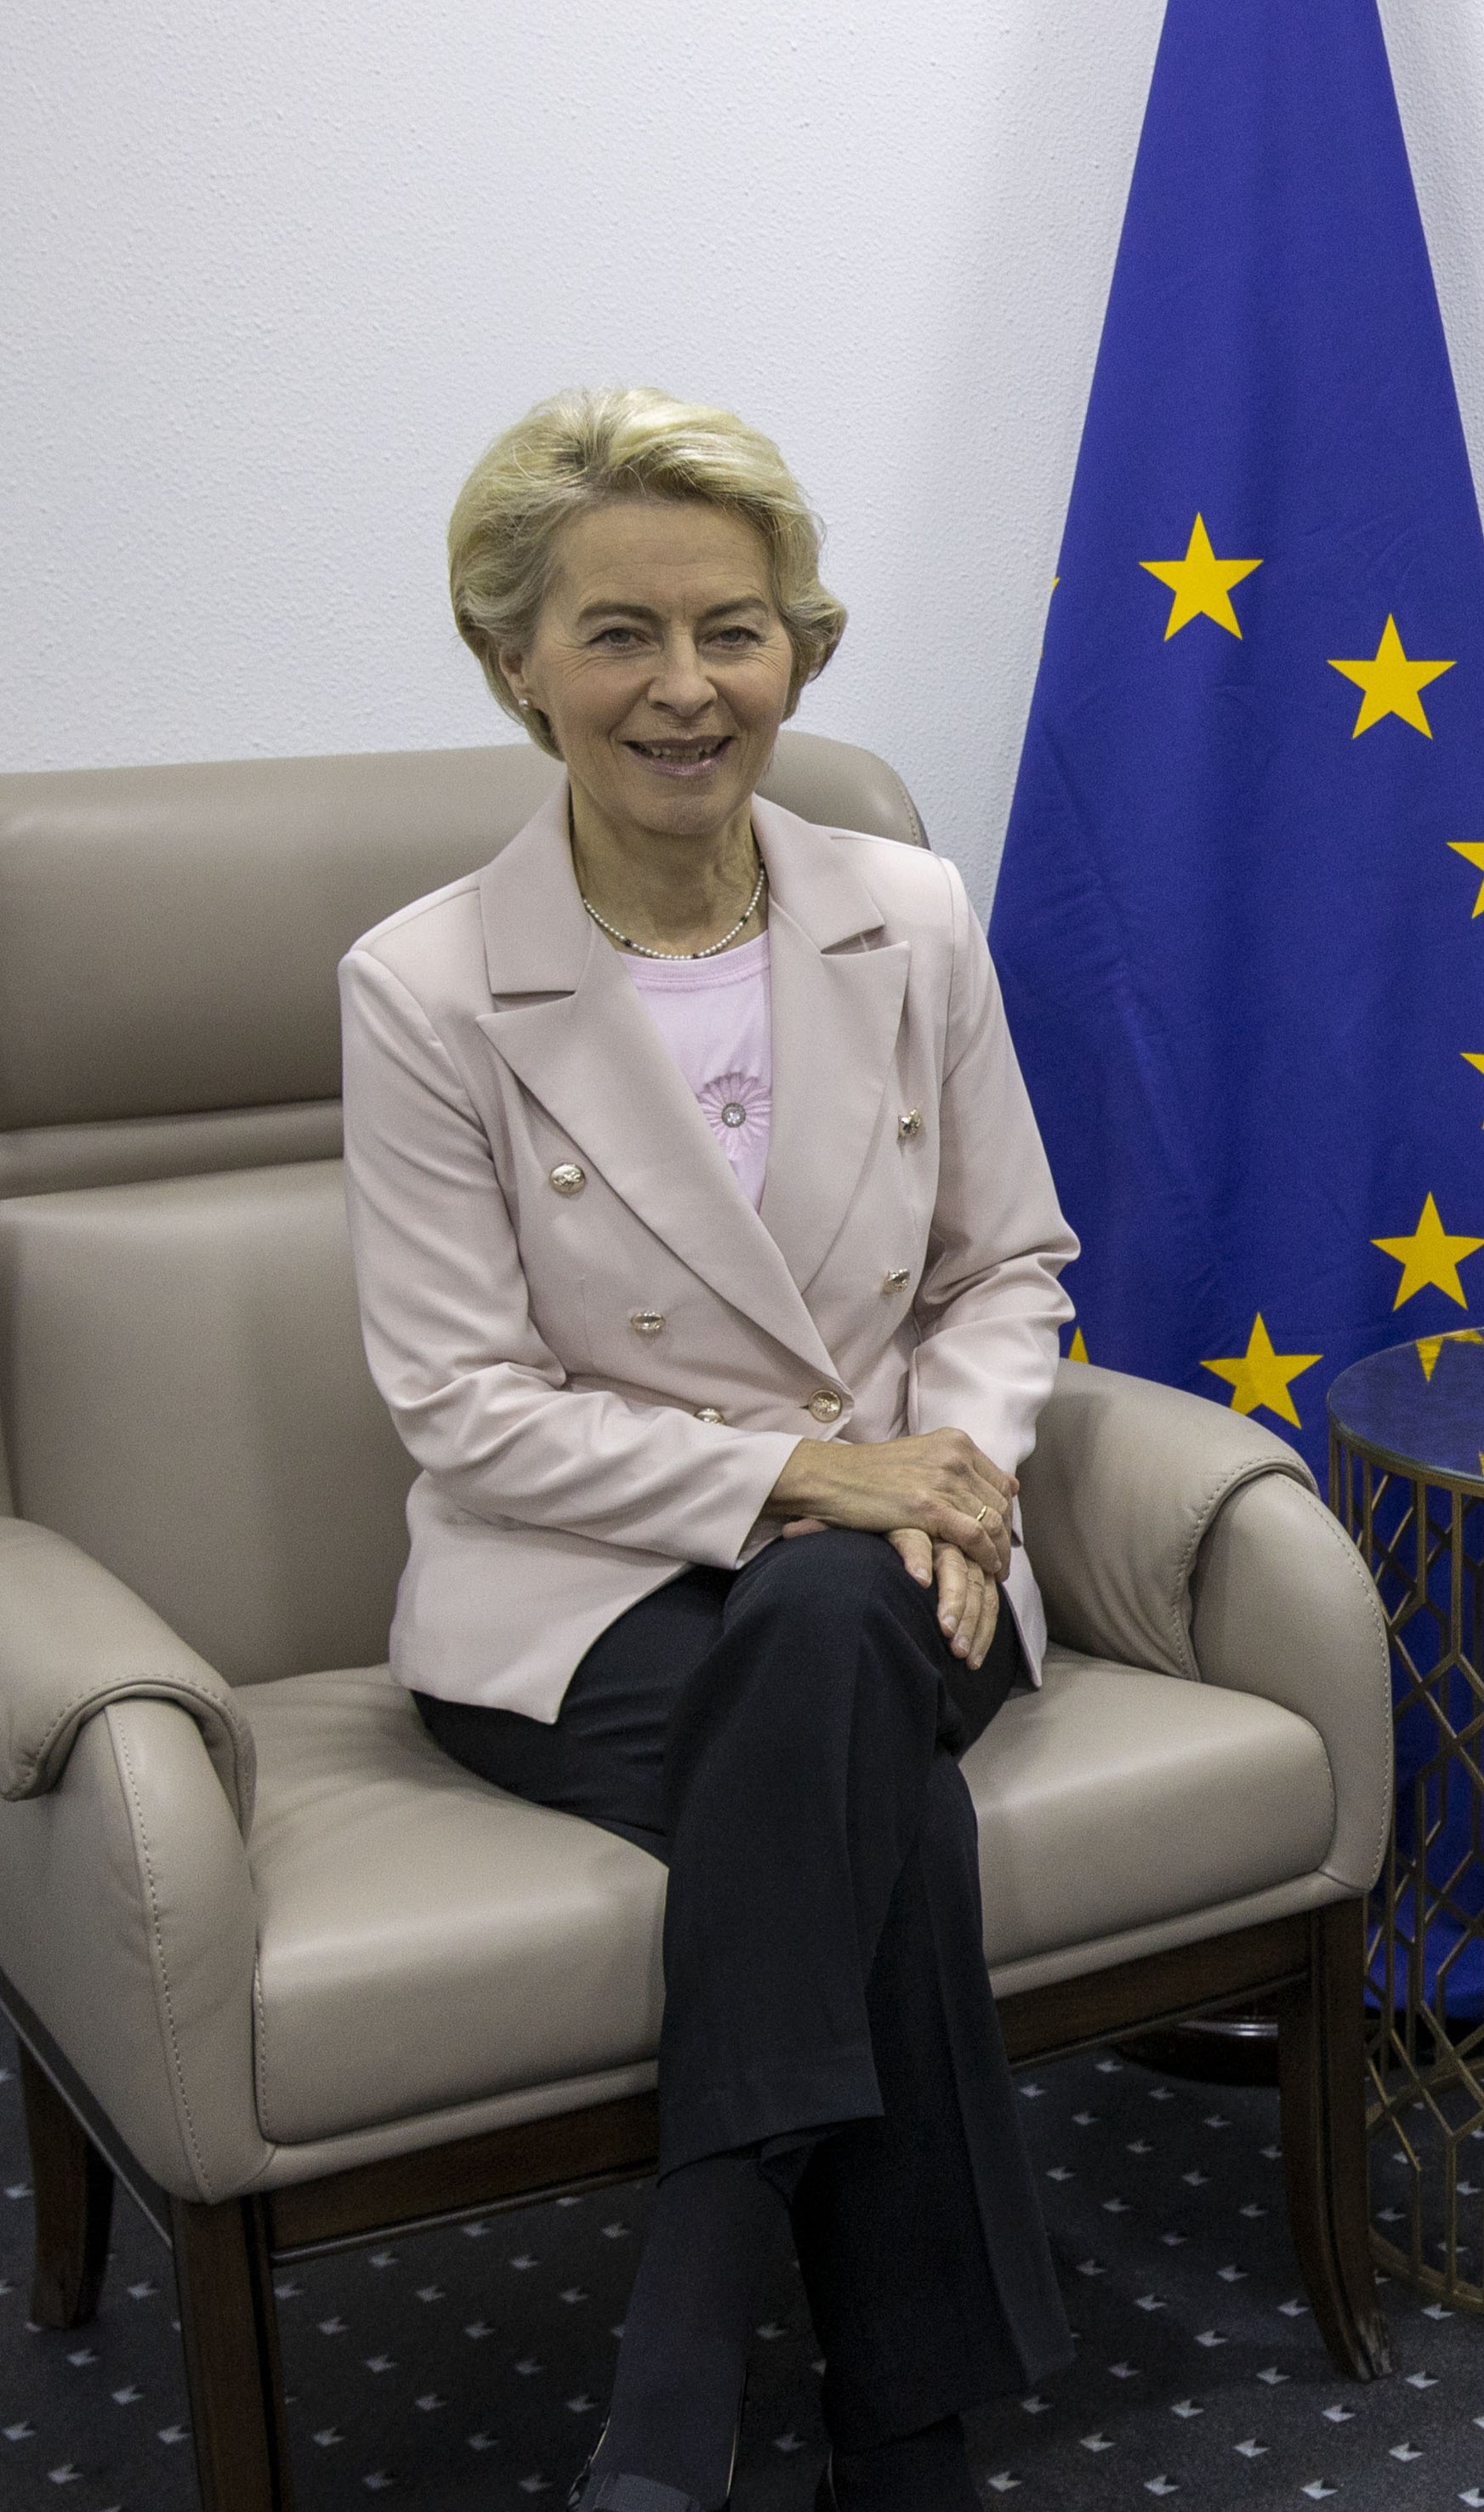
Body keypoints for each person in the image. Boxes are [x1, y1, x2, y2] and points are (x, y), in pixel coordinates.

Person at [340, 386, 1080, 2512]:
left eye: (735, 631)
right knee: (884, 1816)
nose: (686, 689)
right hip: (580, 1610)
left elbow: (1007, 1263)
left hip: (906, 1563)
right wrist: (815, 1477)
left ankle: (681, 2367)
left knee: (842, 1621)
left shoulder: (909, 912)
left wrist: (943, 1467)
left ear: (802, 652)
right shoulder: (421, 987)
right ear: (516, 664)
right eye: (619, 636)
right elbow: (458, 1402)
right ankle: (899, 2424)